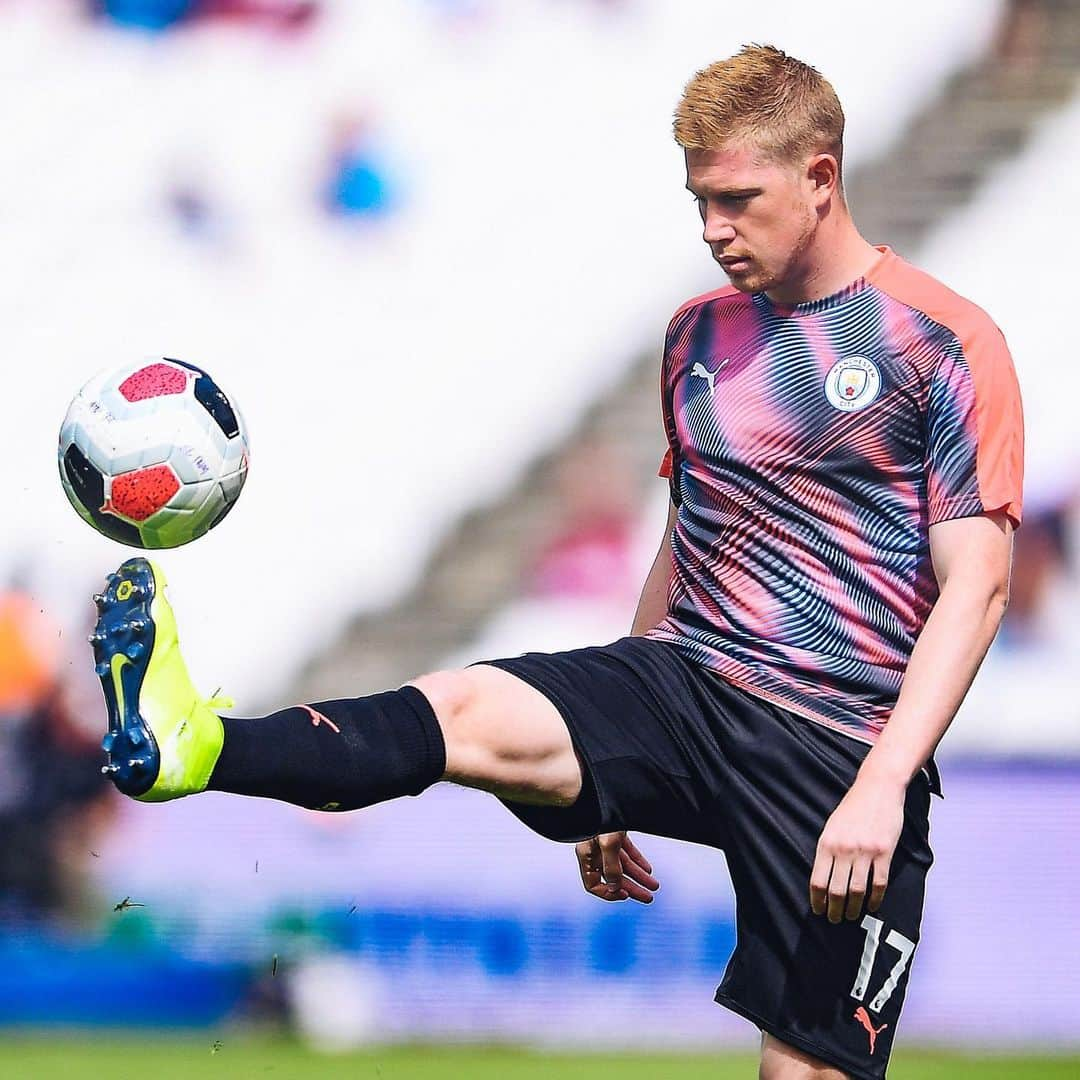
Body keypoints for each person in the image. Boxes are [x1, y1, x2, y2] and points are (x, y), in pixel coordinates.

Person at [89, 44, 1022, 1080]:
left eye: (737, 199)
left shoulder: (943, 342)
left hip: (840, 746)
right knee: (463, 712)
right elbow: (694, 525)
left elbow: (976, 586)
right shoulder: (696, 335)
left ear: (820, 178)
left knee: (801, 1074)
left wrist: (885, 782)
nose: (714, 228)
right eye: (699, 200)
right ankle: (193, 745)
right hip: (685, 685)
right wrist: (618, 752)